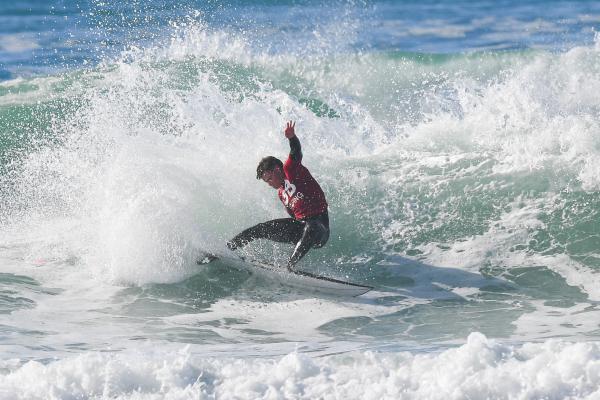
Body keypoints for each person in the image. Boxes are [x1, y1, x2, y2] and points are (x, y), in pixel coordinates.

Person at [227, 121, 329, 271]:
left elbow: (296, 151)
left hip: (320, 229)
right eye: (266, 181)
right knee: (260, 229)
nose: (269, 183)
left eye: (269, 179)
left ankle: (289, 266)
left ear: (276, 170)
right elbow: (294, 218)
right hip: (301, 228)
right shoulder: (282, 194)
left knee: (311, 226)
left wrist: (292, 137)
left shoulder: (291, 169)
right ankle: (227, 249)